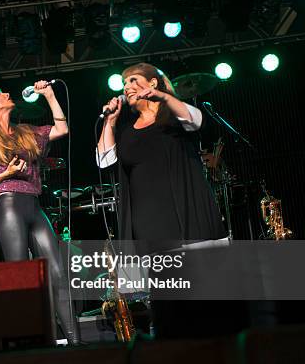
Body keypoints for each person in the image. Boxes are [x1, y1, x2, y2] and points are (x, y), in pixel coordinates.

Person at [0, 81, 80, 344]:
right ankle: (32, 340)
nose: (6, 93)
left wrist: (50, 95)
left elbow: (62, 128)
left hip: (33, 205)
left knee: (56, 271)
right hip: (8, 206)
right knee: (20, 272)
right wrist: (5, 173)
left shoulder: (24, 132)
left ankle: (75, 342)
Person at [96, 63, 226, 251]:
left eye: (133, 80)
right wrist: (110, 121)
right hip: (148, 224)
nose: (126, 87)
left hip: (185, 215)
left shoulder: (173, 118)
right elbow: (104, 161)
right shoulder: (127, 132)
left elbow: (196, 120)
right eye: (125, 83)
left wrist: (164, 97)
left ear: (153, 83)